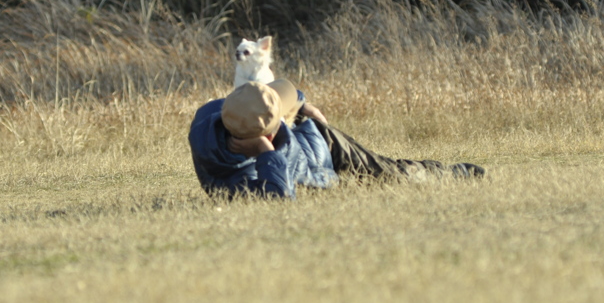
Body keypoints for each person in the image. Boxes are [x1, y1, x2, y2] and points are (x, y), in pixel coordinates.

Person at [188, 79, 485, 199]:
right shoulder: (228, 180)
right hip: (317, 163)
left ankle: (449, 173)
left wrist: (301, 104)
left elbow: (270, 93)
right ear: (266, 135)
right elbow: (279, 197)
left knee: (392, 173)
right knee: (384, 177)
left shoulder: (223, 112)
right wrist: (268, 152)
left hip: (321, 139)